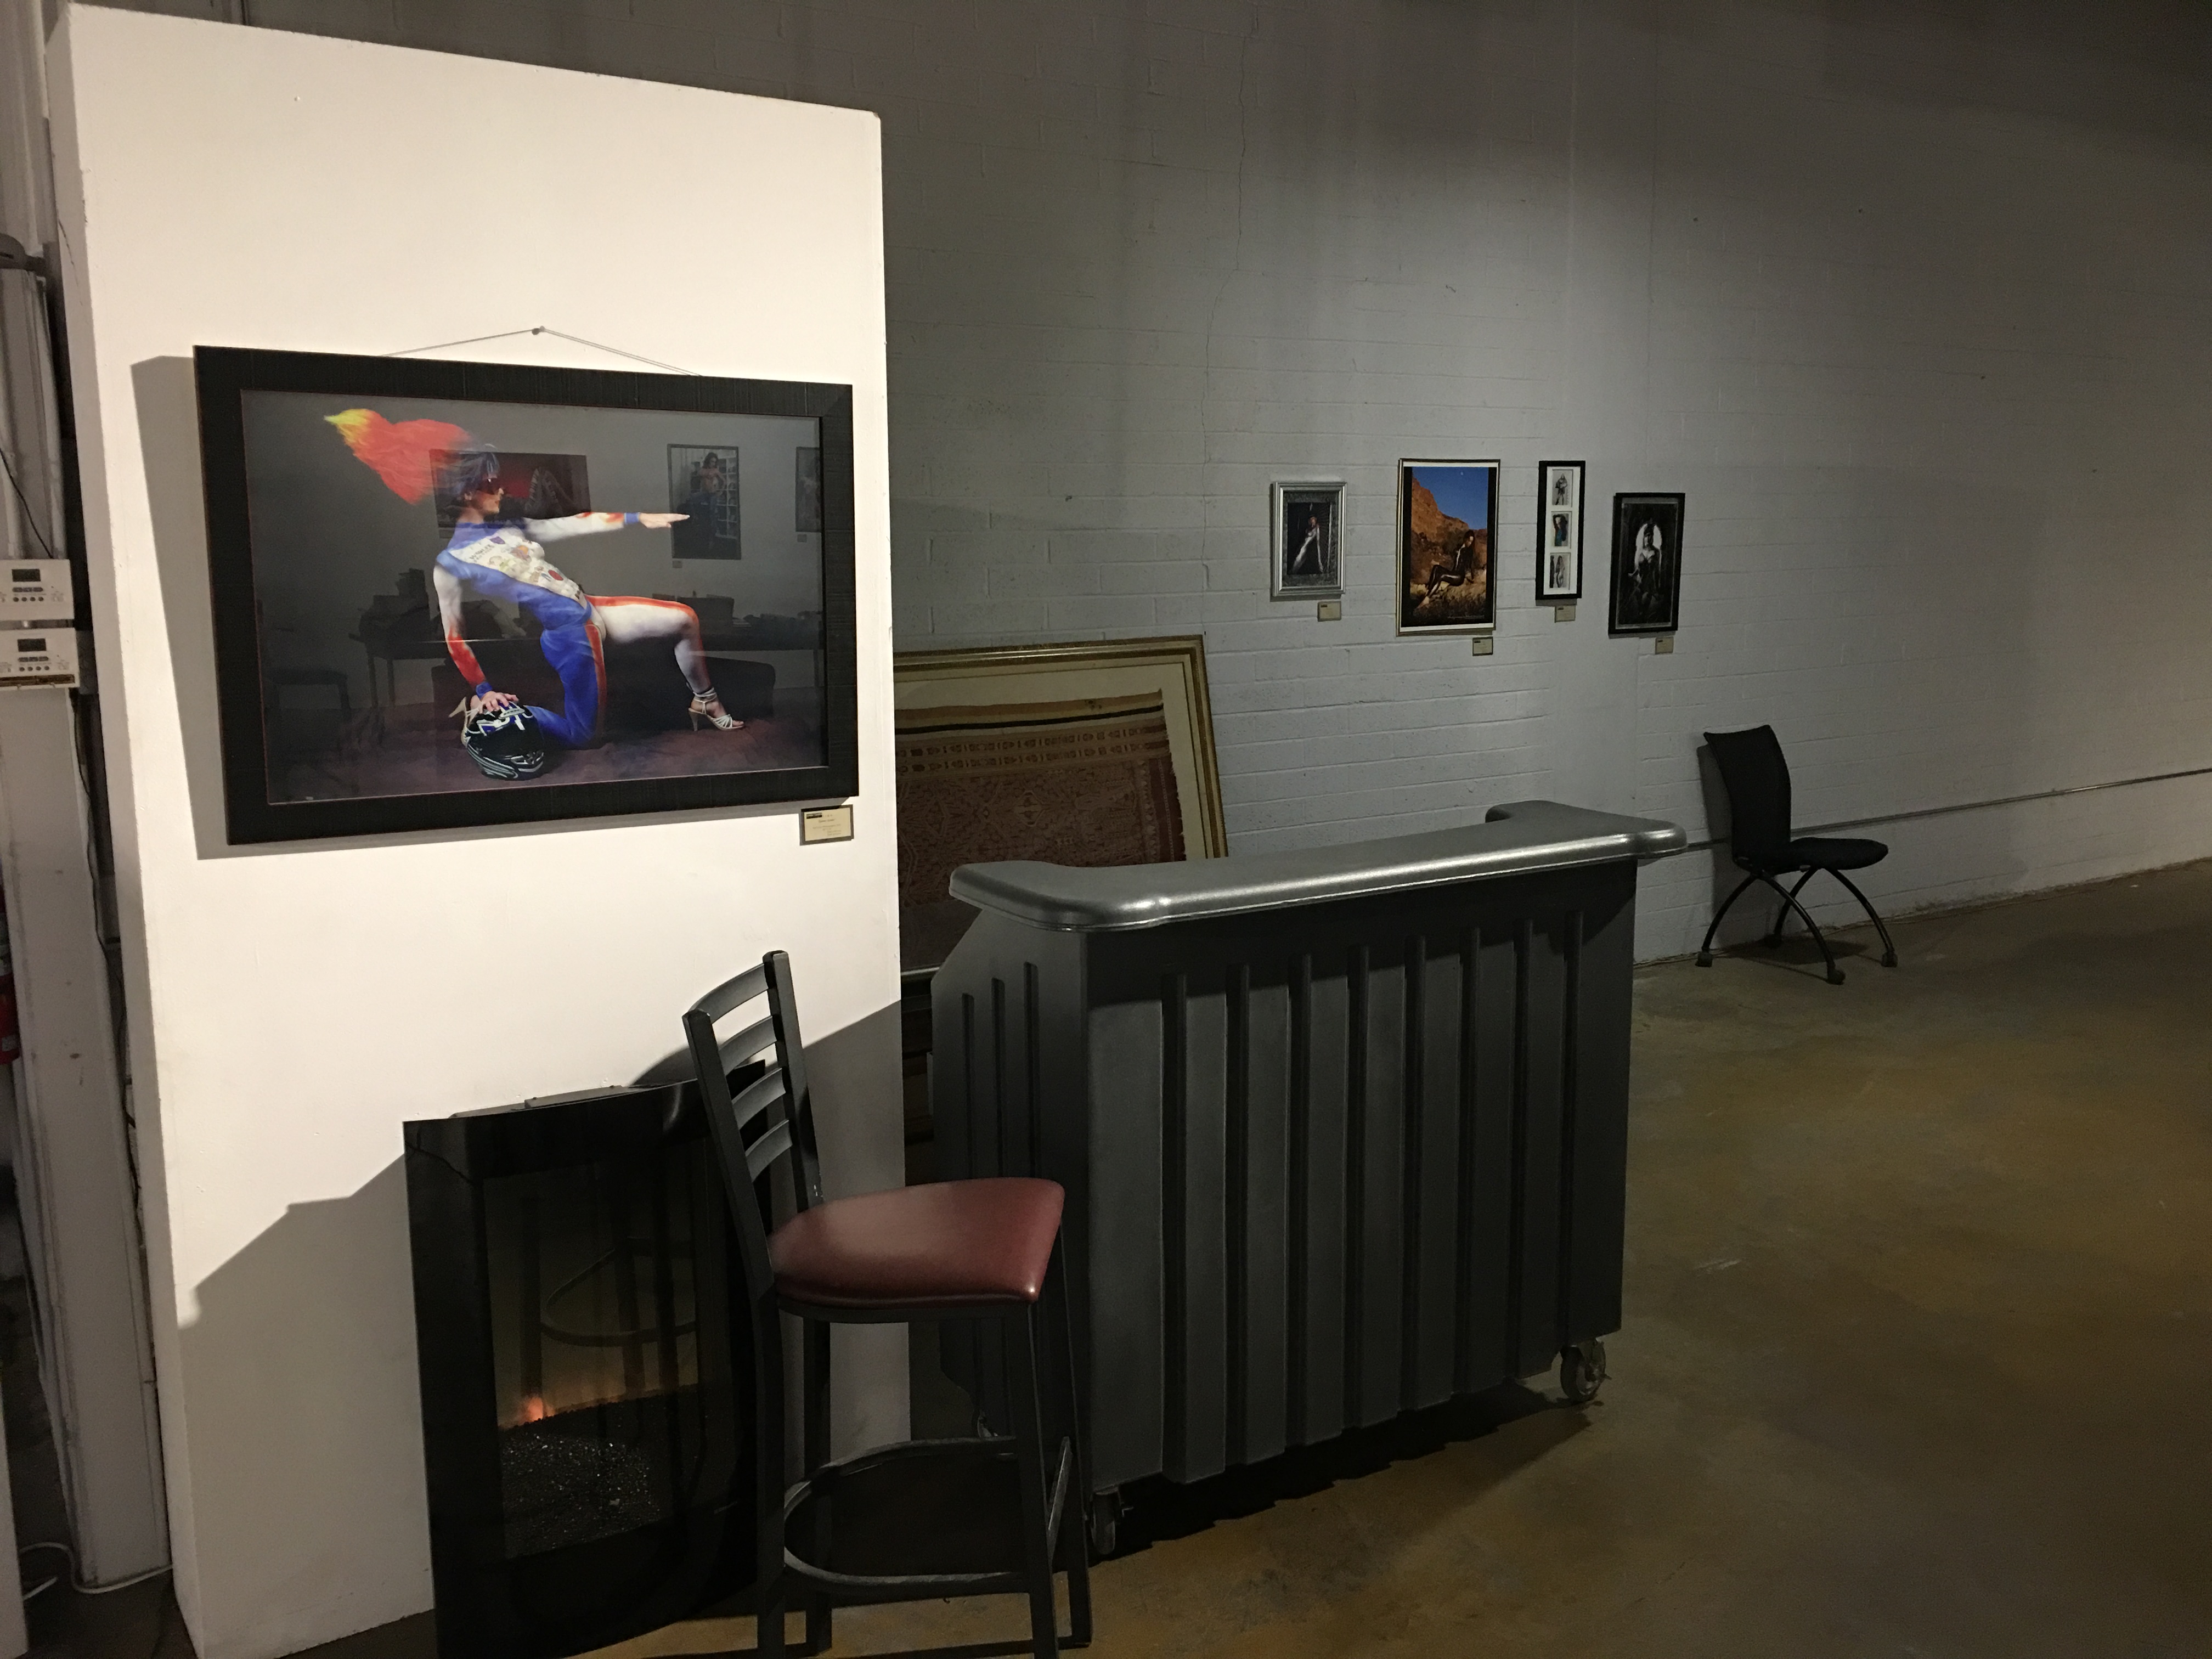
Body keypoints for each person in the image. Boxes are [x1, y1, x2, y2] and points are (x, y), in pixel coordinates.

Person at [431, 449, 741, 748]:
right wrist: (484, 691)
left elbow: (573, 523)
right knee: (584, 737)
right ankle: (485, 714)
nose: (500, 489)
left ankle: (706, 700)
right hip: (569, 634)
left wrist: (638, 518)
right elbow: (455, 637)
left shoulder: (510, 527)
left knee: (685, 619)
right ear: (466, 493)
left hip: (591, 608)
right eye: (490, 484)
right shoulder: (450, 563)